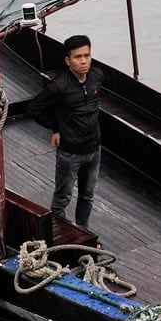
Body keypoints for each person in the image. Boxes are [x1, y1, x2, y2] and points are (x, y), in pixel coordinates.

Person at [29, 35, 102, 231]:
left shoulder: (96, 77)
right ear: (68, 61)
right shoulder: (59, 86)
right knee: (63, 197)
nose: (84, 61)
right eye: (78, 57)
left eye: (87, 55)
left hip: (94, 149)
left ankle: (83, 231)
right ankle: (59, 235)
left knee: (87, 195)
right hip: (70, 153)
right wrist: (55, 128)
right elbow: (34, 108)